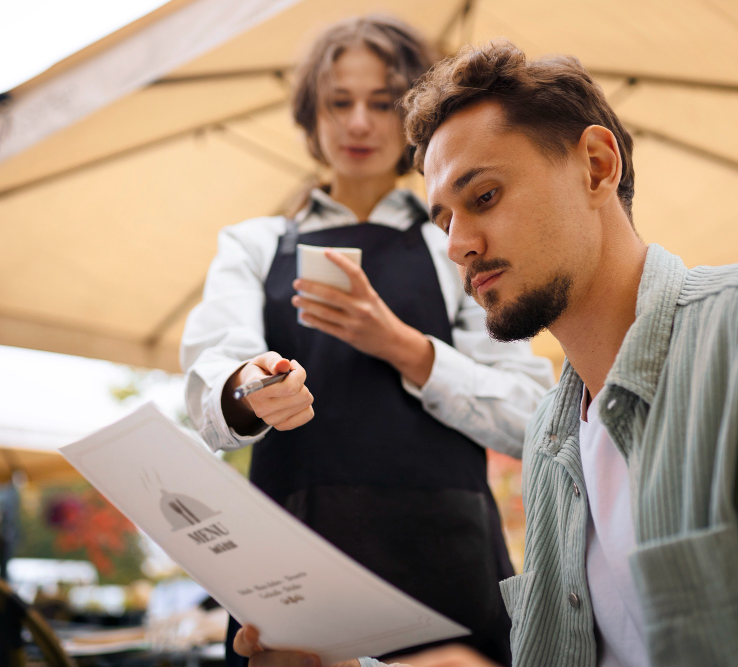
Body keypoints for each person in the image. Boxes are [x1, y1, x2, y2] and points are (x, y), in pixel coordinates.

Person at [237, 40, 738, 667]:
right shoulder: (549, 440)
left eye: (483, 197)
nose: (458, 246)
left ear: (596, 165)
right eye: (443, 221)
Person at [180, 20, 554, 667]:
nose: (360, 122)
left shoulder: (458, 244)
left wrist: (406, 347)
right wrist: (253, 390)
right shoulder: (254, 243)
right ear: (311, 117)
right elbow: (211, 390)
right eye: (339, 102)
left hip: (447, 565)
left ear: (416, 116)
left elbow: (533, 417)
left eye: (384, 102)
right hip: (292, 570)